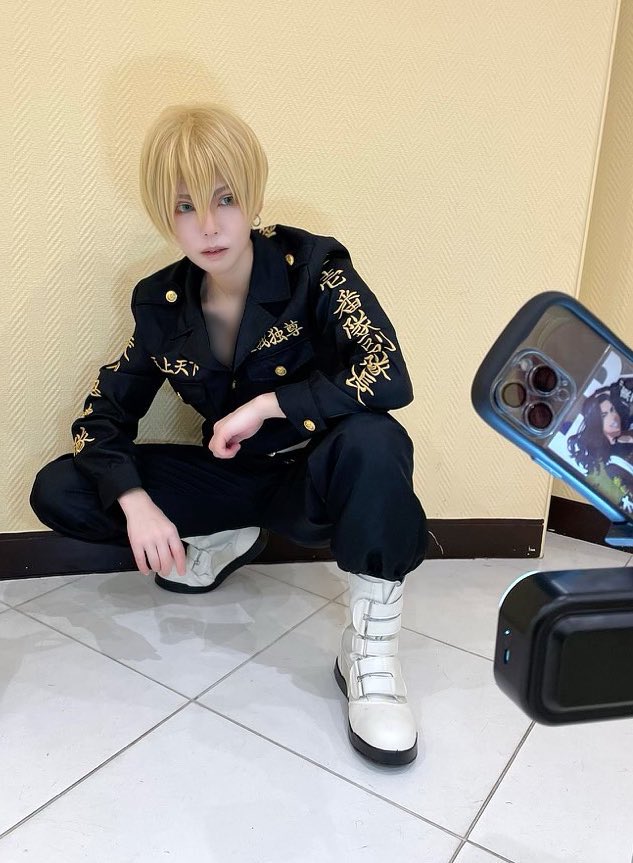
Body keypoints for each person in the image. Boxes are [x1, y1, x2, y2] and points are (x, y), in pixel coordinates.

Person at [30, 104, 428, 766]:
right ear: (164, 214)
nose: (208, 226)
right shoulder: (160, 304)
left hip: (312, 480)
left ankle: (370, 651)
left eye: (225, 199)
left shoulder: (314, 266)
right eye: (185, 207)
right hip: (232, 479)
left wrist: (270, 404)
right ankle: (225, 535)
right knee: (61, 488)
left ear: (254, 197)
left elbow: (386, 372)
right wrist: (135, 500)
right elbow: (101, 418)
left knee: (375, 439)